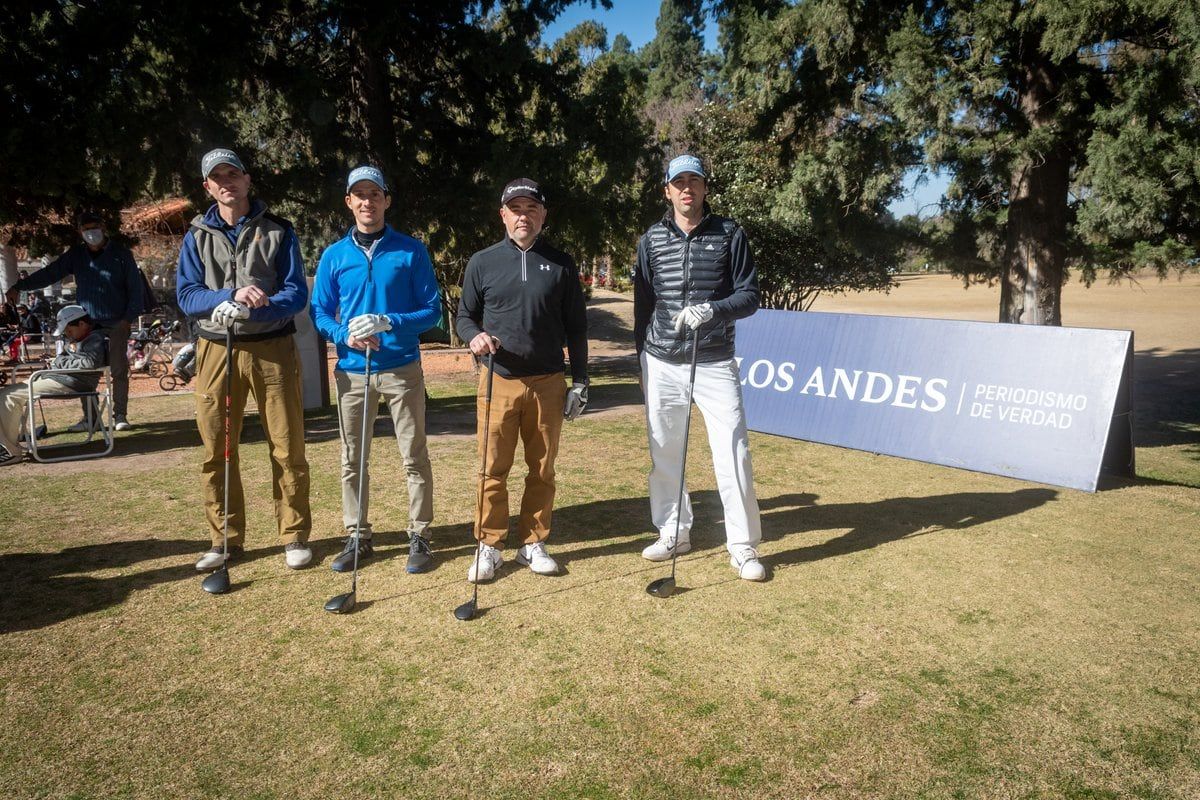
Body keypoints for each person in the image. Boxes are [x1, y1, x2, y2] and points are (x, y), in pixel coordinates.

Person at [176, 147, 313, 571]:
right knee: (218, 446)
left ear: (247, 179)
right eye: (217, 178)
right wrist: (226, 297)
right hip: (217, 347)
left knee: (286, 445)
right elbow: (186, 295)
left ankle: (293, 535)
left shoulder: (278, 230)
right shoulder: (195, 235)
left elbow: (296, 293)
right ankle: (224, 540)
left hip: (272, 347)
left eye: (233, 175)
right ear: (207, 187)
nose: (226, 183)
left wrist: (258, 305)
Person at [633, 153, 765, 581]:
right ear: (666, 190)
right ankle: (673, 531)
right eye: (679, 182)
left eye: (695, 181)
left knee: (733, 452)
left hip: (714, 361)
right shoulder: (651, 238)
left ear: (706, 188)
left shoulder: (730, 233)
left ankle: (742, 546)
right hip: (661, 360)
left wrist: (712, 309)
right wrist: (642, 360)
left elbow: (749, 297)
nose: (687, 188)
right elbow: (643, 306)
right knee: (666, 453)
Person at [455, 178, 589, 582]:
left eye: (531, 208)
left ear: (542, 215)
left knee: (542, 469)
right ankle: (489, 546)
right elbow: (465, 316)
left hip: (548, 382)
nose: (523, 216)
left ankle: (533, 542)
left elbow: (577, 328)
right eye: (515, 209)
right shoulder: (483, 261)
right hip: (499, 379)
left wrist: (580, 381)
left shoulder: (562, 263)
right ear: (503, 215)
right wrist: (472, 336)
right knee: (491, 468)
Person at [311, 166, 441, 574]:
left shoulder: (410, 250)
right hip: (352, 371)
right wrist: (343, 335)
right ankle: (357, 535)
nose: (367, 202)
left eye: (374, 194)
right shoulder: (334, 255)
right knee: (353, 458)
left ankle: (420, 534)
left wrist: (389, 322)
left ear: (386, 200)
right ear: (349, 202)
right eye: (359, 195)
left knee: (413, 456)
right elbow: (319, 311)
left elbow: (431, 310)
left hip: (402, 368)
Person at [7, 213, 145, 431]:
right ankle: (91, 419)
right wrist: (20, 287)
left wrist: (128, 320)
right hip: (85, 324)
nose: (91, 232)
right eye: (86, 228)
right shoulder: (77, 255)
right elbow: (50, 273)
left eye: (95, 226)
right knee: (84, 370)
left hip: (117, 322)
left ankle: (120, 416)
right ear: (80, 232)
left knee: (118, 369)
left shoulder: (121, 254)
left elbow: (136, 290)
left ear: (104, 227)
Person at [0, 305, 107, 465]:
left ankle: (10, 451)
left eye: (69, 330)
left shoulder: (94, 338)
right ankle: (7, 444)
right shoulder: (80, 338)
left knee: (9, 395)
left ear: (82, 324)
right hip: (62, 379)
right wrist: (54, 361)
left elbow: (90, 362)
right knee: (7, 393)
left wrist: (58, 361)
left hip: (72, 382)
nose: (66, 334)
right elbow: (67, 360)